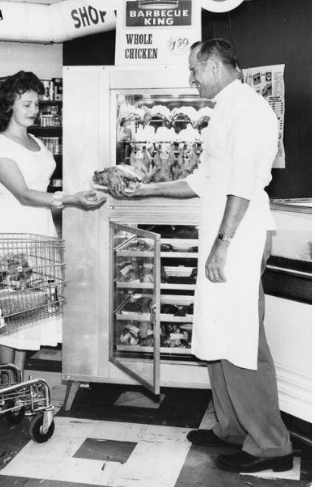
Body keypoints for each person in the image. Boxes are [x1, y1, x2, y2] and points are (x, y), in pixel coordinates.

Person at [122, 39, 292, 474]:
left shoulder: (251, 110)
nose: (191, 78)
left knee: (240, 339)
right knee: (218, 335)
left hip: (238, 237)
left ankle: (270, 445)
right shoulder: (226, 110)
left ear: (214, 65)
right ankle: (232, 428)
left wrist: (223, 241)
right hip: (224, 235)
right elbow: (204, 180)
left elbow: (245, 185)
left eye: (194, 69)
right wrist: (145, 188)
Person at [0, 71, 106, 373]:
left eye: (37, 104)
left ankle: (17, 377)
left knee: (30, 304)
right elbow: (22, 193)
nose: (34, 111)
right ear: (9, 106)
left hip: (38, 225)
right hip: (9, 223)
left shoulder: (35, 140)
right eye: (27, 104)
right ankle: (8, 383)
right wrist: (70, 199)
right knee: (8, 302)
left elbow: (39, 191)